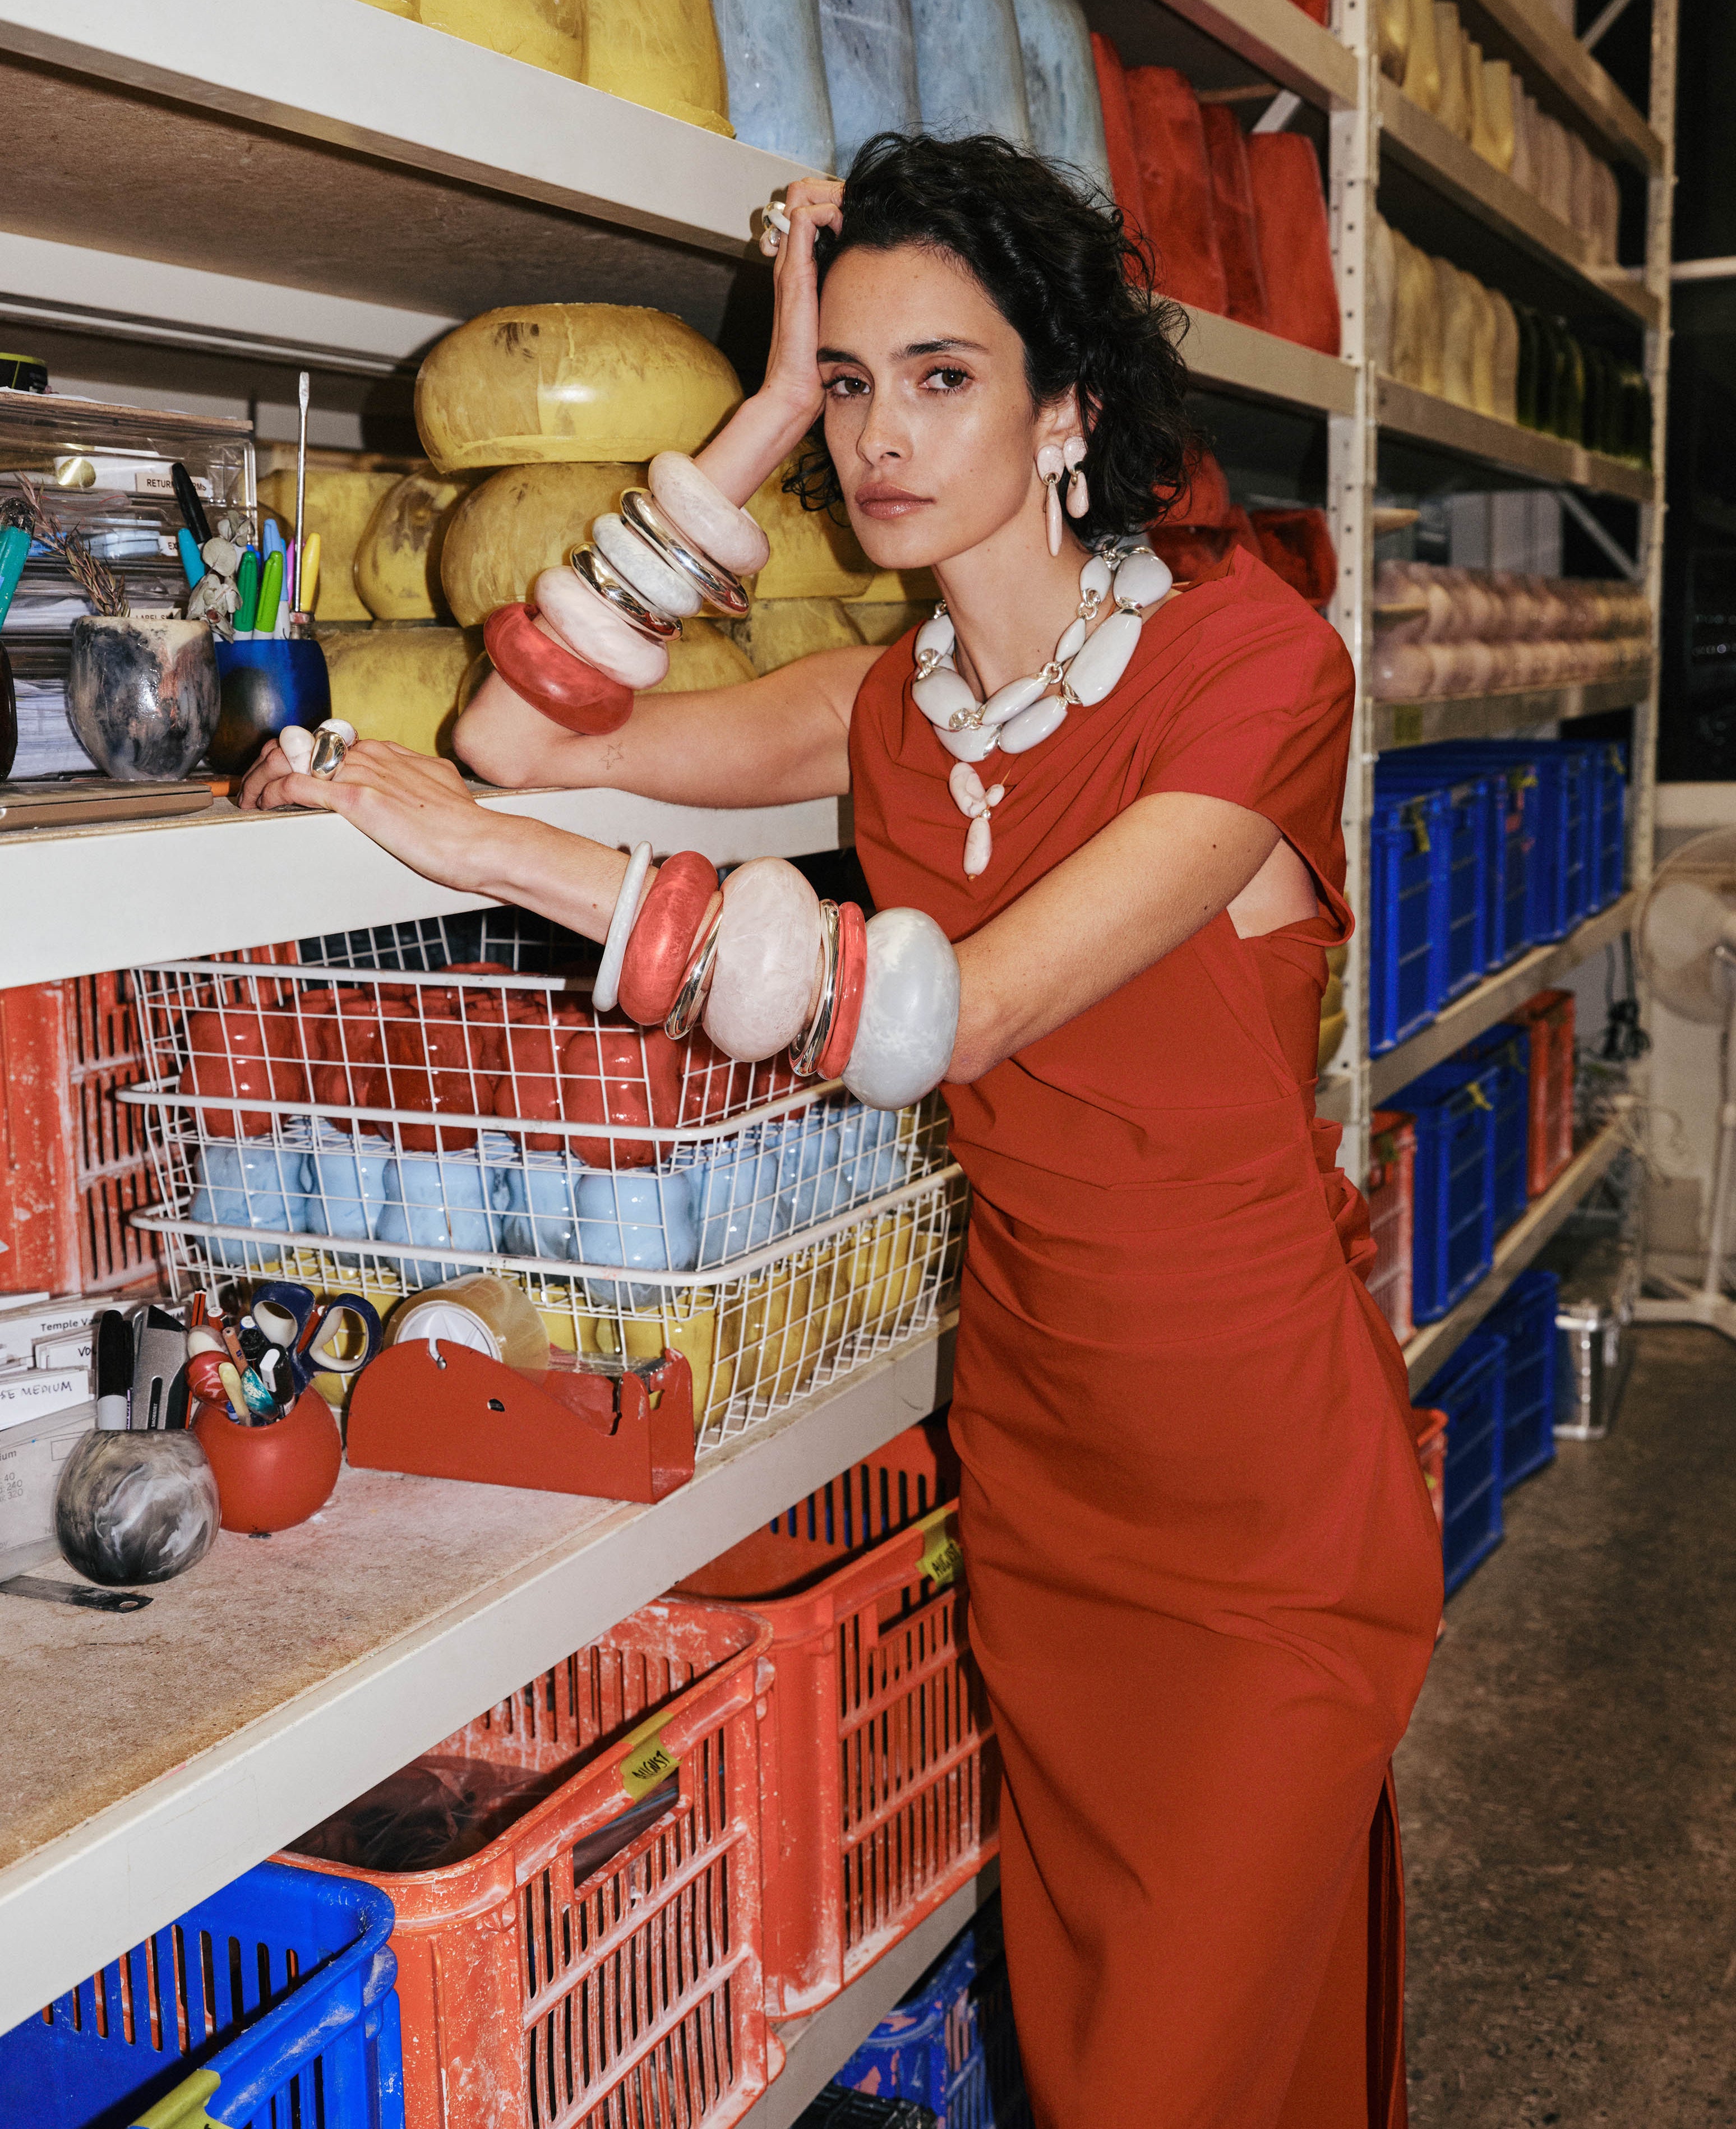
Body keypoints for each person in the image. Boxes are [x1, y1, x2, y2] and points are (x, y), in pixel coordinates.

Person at [242, 133, 1442, 2127]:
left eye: (942, 377)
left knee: (1173, 2068)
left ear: (1069, 411)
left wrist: (494, 858)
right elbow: (516, 733)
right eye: (860, 385)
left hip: (1259, 1505)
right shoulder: (886, 703)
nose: (884, 435)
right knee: (1117, 2052)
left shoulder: (1255, 668)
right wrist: (764, 407)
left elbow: (949, 1009)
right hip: (1048, 1472)